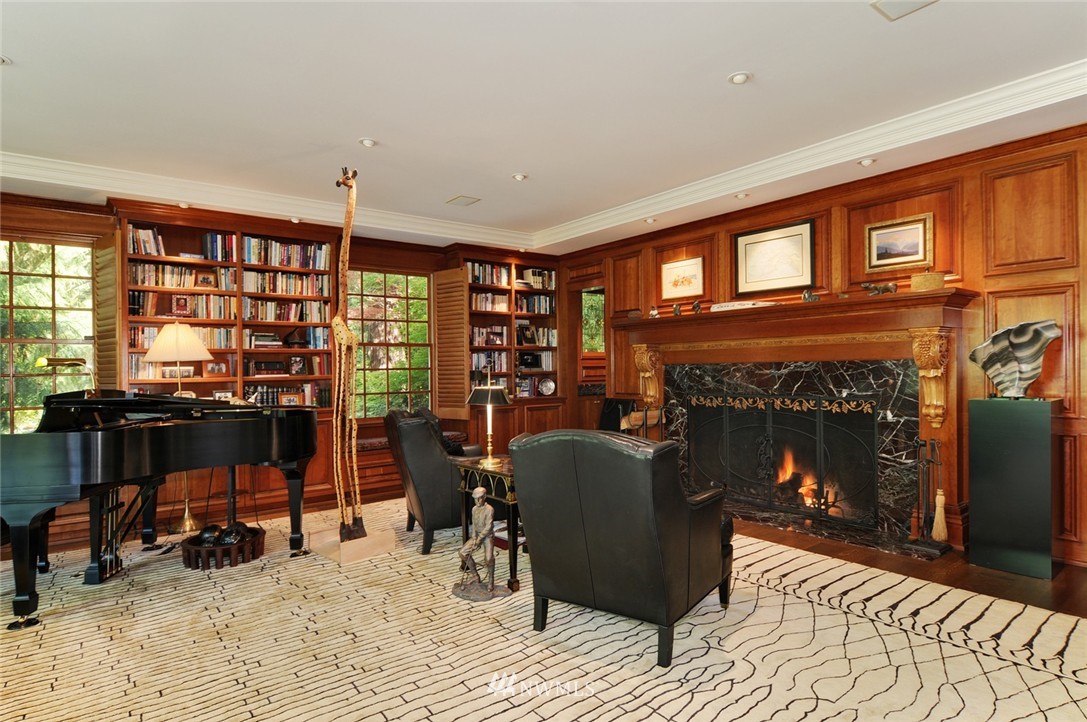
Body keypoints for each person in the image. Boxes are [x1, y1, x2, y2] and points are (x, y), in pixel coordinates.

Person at [459, 486, 495, 591]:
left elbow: (488, 527)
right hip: (477, 536)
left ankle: (491, 580)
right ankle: (475, 576)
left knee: (488, 558)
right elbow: (474, 524)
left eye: (480, 498)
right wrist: (474, 537)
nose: (478, 501)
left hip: (487, 536)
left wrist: (479, 540)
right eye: (475, 498)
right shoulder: (474, 509)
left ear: (484, 497)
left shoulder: (489, 509)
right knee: (462, 553)